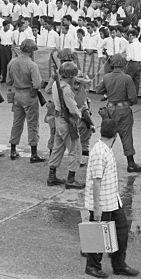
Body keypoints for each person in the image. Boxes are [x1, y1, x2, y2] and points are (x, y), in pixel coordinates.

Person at [84, 118, 139, 279]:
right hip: (102, 203)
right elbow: (96, 181)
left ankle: (119, 264)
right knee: (98, 236)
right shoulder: (100, 152)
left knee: (121, 231)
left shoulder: (104, 149)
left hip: (112, 200)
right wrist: (97, 208)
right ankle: (92, 266)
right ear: (115, 135)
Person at [94, 54, 141, 173]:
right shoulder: (127, 78)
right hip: (124, 110)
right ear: (123, 64)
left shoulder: (106, 77)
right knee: (126, 136)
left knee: (107, 136)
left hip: (110, 109)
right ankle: (131, 164)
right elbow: (133, 98)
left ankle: (101, 163)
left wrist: (107, 94)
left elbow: (98, 90)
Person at [6, 38, 45, 162]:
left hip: (17, 94)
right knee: (32, 124)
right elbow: (37, 84)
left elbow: (8, 81)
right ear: (32, 51)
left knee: (17, 123)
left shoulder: (12, 62)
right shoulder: (32, 65)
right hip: (29, 95)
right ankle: (33, 153)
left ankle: (13, 150)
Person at [47, 61, 85, 189]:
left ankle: (52, 176)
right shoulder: (66, 89)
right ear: (71, 76)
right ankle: (71, 179)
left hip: (58, 119)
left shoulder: (56, 85)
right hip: (66, 121)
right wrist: (81, 114)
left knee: (58, 147)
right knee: (76, 149)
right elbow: (73, 109)